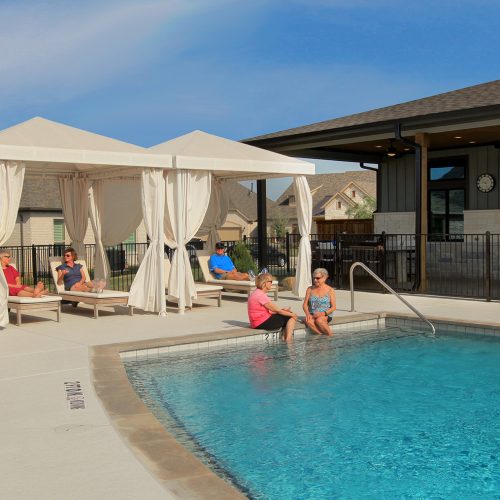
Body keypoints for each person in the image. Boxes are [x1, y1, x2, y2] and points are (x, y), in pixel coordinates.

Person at [248, 273, 297, 342]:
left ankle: (283, 338)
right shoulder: (261, 295)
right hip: (262, 322)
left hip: (256, 322)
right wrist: (293, 315)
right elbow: (277, 310)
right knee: (290, 317)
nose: (272, 283)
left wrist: (283, 310)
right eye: (271, 281)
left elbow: (270, 310)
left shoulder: (256, 292)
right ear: (265, 283)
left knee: (286, 315)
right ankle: (288, 341)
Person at [303, 267, 336, 336]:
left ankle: (330, 336)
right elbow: (305, 304)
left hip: (325, 314)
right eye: (314, 278)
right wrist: (308, 314)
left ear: (324, 278)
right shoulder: (310, 289)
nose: (315, 280)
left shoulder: (330, 290)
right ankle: (320, 335)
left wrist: (322, 314)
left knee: (319, 320)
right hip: (312, 314)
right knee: (308, 321)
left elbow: (333, 307)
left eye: (317, 278)